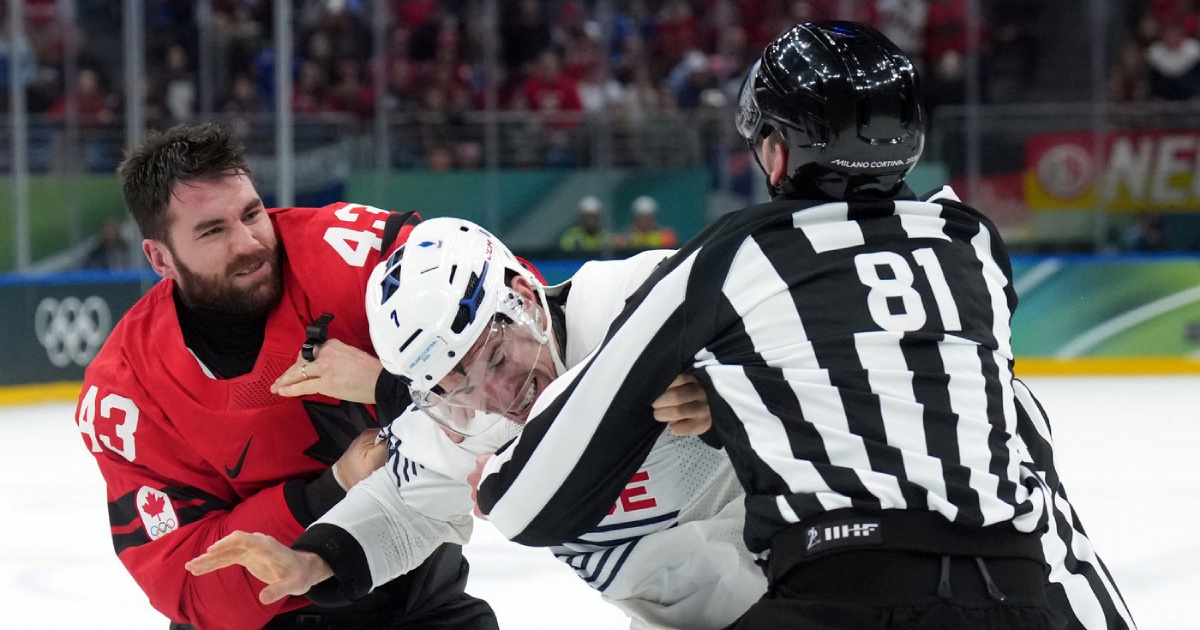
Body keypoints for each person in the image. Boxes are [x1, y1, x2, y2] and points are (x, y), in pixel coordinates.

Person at [474, 22, 1136, 630]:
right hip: (1014, 593)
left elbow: (532, 504)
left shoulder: (733, 255)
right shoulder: (973, 243)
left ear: (777, 154)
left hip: (845, 589)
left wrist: (497, 478)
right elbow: (991, 431)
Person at [185, 217, 767, 630]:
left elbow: (810, 341)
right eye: (458, 388)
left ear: (524, 296)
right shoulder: (473, 422)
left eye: (496, 359)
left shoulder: (646, 300)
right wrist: (310, 561)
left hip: (804, 581)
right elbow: (403, 506)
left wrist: (731, 395)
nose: (501, 398)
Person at [73, 123, 497, 630]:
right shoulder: (128, 387)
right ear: (160, 257)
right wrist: (331, 488)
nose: (249, 242)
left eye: (252, 214)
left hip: (415, 604)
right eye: (213, 231)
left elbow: (525, 335)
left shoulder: (354, 257)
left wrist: (387, 386)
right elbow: (188, 582)